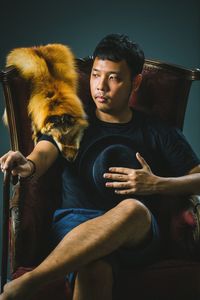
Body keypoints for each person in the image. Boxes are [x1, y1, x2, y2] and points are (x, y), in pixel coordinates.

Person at [0, 33, 200, 300]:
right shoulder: (71, 122)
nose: (100, 87)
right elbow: (44, 153)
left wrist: (157, 184)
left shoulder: (157, 131)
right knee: (94, 268)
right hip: (75, 226)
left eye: (113, 78)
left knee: (133, 209)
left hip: (137, 234)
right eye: (96, 75)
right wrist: (28, 165)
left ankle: (31, 283)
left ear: (135, 82)